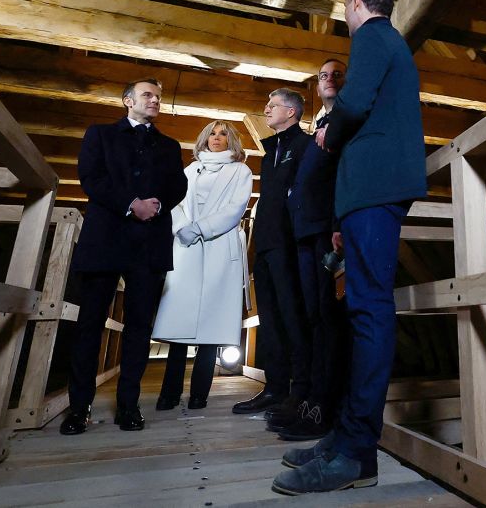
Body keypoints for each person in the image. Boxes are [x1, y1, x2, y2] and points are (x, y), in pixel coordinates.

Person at [273, 0, 426, 494]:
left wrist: (325, 141)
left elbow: (355, 106)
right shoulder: (384, 41)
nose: (345, 15)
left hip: (376, 188)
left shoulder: (373, 35)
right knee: (359, 310)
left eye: (344, 7)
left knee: (369, 312)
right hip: (366, 195)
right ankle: (342, 438)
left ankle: (358, 452)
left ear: (355, 2)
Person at [60, 78, 187, 435]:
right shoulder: (99, 134)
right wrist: (130, 205)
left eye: (159, 97)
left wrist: (157, 205)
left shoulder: (170, 145)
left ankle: (129, 406)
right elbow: (90, 176)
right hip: (105, 238)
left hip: (149, 244)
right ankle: (79, 408)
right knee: (89, 325)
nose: (155, 101)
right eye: (148, 95)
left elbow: (178, 185)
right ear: (128, 101)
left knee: (138, 328)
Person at [152, 121, 253, 411]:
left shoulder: (241, 171)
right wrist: (184, 228)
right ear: (204, 138)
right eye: (212, 133)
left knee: (211, 326)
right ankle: (169, 394)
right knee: (178, 324)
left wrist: (199, 228)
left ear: (231, 140)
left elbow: (235, 209)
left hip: (219, 247)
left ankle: (199, 395)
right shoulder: (189, 170)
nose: (217, 138)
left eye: (223, 134)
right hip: (186, 247)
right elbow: (176, 205)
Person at [231, 88, 313, 419]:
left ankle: (301, 391)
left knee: (293, 318)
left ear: (291, 112)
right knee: (270, 319)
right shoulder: (269, 153)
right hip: (265, 246)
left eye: (272, 105)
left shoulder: (305, 146)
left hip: (289, 245)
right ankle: (275, 388)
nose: (266, 109)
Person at [278, 59, 348, 441]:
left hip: (328, 231)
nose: (330, 79)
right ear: (316, 87)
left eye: (338, 74)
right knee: (315, 317)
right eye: (323, 75)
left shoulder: (346, 121)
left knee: (330, 316)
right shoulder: (319, 124)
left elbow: (344, 173)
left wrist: (338, 223)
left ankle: (325, 406)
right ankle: (309, 401)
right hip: (307, 233)